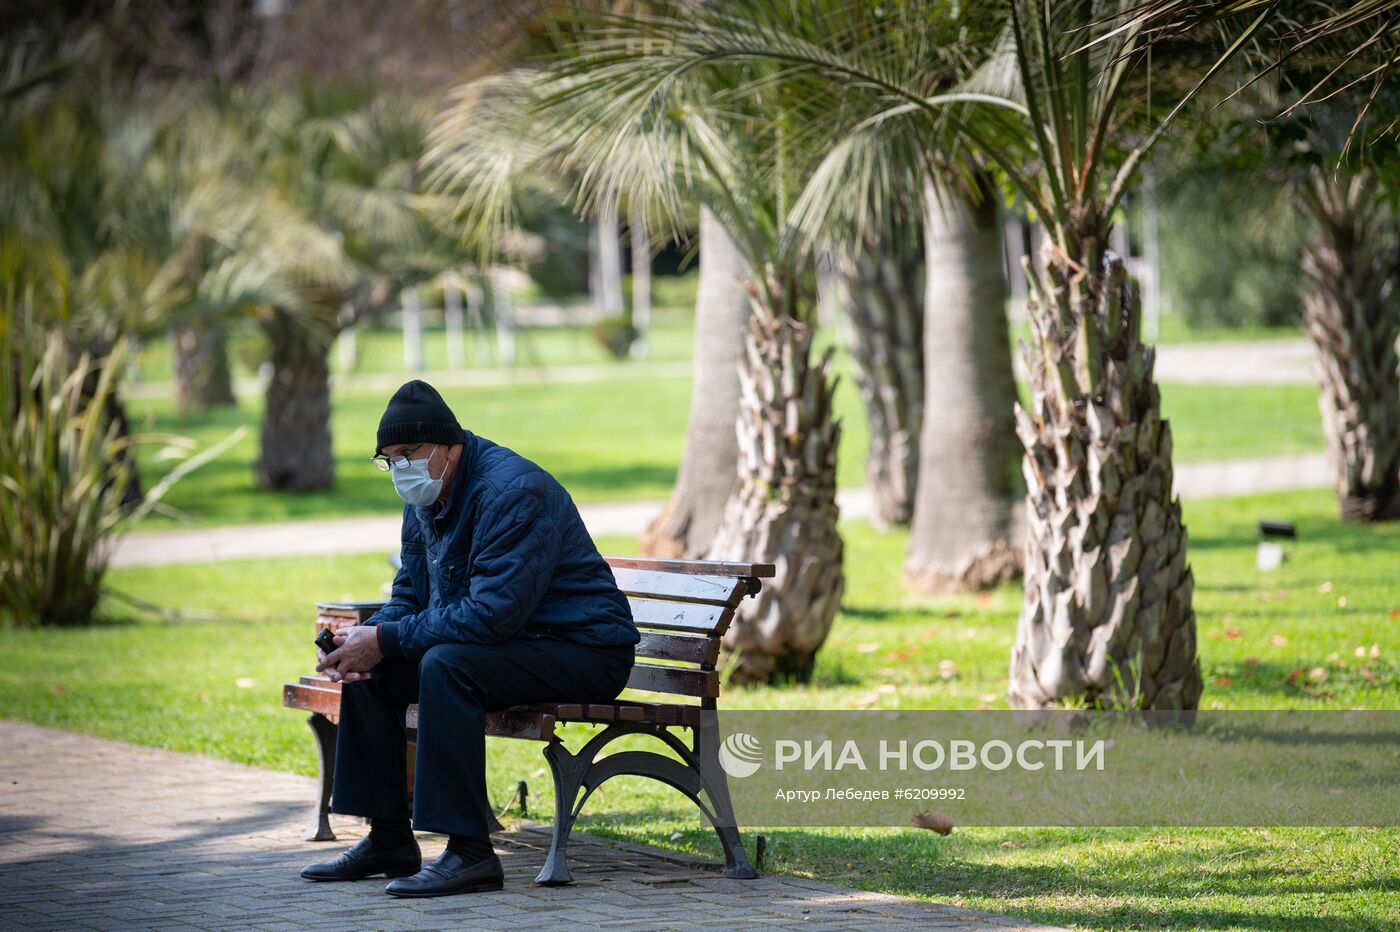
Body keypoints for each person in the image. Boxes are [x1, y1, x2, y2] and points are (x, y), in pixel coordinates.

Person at [301, 380, 639, 897]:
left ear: (449, 446)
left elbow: (491, 617)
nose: (399, 469)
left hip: (584, 650)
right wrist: (364, 637)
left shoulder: (513, 492)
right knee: (374, 669)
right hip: (517, 645)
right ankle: (388, 837)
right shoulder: (427, 496)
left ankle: (470, 853)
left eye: (407, 454)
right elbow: (410, 595)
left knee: (447, 665)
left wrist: (388, 637)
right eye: (388, 460)